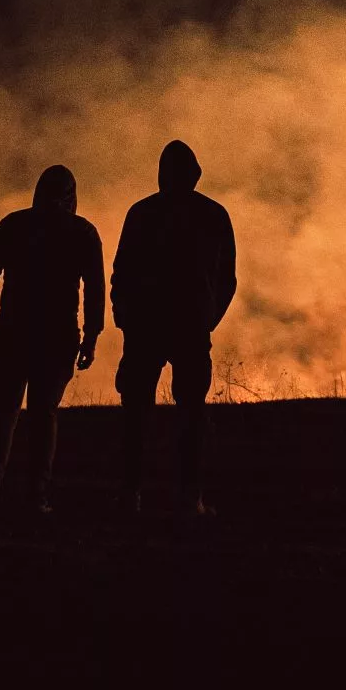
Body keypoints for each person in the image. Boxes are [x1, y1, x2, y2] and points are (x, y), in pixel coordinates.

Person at [0, 164, 104, 512]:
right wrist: (91, 337)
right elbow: (94, 291)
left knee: (4, 415)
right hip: (57, 337)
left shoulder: (14, 225)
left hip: (12, 332)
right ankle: (36, 496)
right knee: (44, 415)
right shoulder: (82, 232)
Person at [112, 139, 236, 514]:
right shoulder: (213, 214)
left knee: (137, 414)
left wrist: (125, 317)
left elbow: (121, 272)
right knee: (191, 415)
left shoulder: (141, 213)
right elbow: (227, 280)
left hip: (147, 328)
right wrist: (208, 318)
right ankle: (188, 497)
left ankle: (131, 494)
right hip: (188, 328)